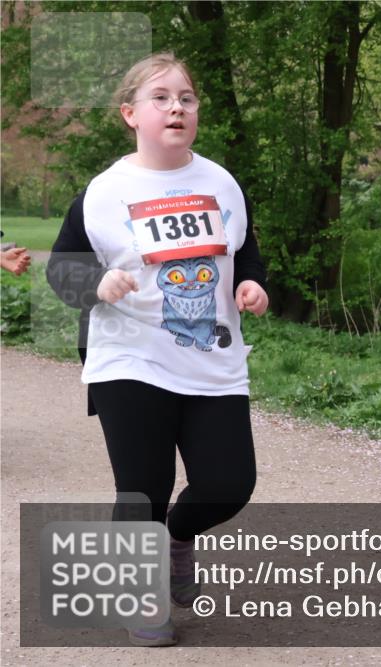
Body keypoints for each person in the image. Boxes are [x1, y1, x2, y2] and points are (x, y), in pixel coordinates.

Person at [46, 52, 268, 647]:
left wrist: (252, 283)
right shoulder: (104, 192)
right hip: (128, 357)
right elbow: (61, 269)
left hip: (211, 361)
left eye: (187, 98)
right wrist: (95, 284)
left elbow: (244, 251)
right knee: (142, 485)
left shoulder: (221, 182)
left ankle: (176, 537)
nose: (177, 107)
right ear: (131, 114)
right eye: (162, 98)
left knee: (229, 484)